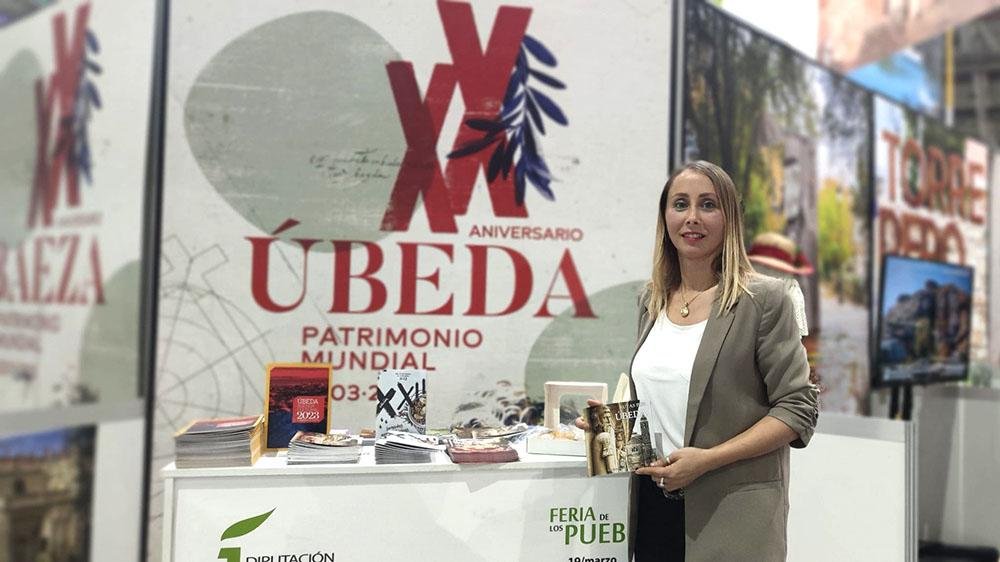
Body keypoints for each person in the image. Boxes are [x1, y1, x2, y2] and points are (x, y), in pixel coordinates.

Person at [578, 161, 818, 561]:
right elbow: (664, 411)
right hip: (654, 511)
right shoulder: (651, 299)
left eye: (708, 205)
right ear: (665, 217)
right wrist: (610, 432)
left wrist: (707, 461)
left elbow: (798, 409)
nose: (692, 218)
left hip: (732, 518)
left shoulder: (765, 300)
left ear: (730, 219)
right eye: (680, 204)